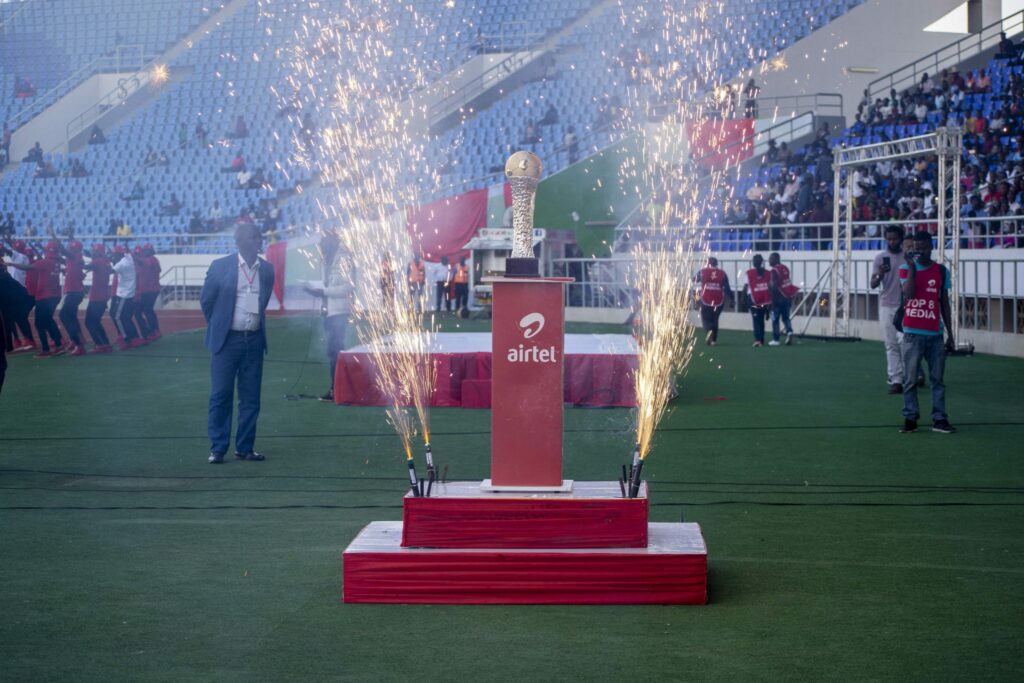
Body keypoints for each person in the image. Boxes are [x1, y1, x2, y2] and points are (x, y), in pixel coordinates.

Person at [200, 223, 275, 464]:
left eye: (259, 237)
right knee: (221, 395)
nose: (258, 241)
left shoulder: (267, 269)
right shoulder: (220, 266)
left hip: (253, 340)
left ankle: (245, 447)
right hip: (227, 342)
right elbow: (206, 301)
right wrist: (220, 326)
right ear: (239, 241)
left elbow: (262, 301)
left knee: (251, 397)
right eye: (253, 237)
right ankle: (218, 448)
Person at [898, 231, 956, 434]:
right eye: (916, 248)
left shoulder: (941, 271)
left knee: (937, 380)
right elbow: (908, 294)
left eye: (923, 248)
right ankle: (910, 418)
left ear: (931, 247)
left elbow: (944, 304)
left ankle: (939, 419)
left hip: (935, 333)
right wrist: (912, 267)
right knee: (910, 380)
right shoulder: (905, 269)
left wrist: (950, 334)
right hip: (912, 333)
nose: (919, 252)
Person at [302, 231, 354, 402]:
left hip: (339, 312)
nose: (321, 246)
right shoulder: (327, 260)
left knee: (335, 351)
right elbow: (326, 285)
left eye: (323, 242)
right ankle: (339, 387)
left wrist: (323, 292)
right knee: (334, 351)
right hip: (329, 312)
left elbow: (347, 288)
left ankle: (338, 389)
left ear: (332, 241)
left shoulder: (344, 259)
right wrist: (314, 289)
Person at [9, 241, 63, 357]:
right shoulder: (56, 262)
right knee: (48, 320)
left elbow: (27, 267)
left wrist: (12, 264)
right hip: (53, 296)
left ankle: (46, 349)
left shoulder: (45, 262)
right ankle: (59, 344)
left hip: (43, 296)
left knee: (39, 323)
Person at [871, 225, 905, 393]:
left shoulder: (907, 258)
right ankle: (896, 379)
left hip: (905, 306)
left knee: (905, 343)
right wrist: (880, 274)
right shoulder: (880, 258)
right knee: (891, 344)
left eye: (894, 238)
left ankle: (910, 376)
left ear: (901, 239)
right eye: (889, 239)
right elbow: (873, 284)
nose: (892, 242)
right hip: (886, 305)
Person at [59, 240, 87, 355]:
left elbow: (62, 250)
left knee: (64, 316)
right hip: (75, 292)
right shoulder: (74, 259)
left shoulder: (75, 256)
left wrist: (53, 235)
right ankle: (78, 339)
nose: (69, 248)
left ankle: (78, 344)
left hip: (74, 293)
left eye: (71, 247)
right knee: (72, 317)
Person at [110, 245, 141, 350]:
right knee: (126, 318)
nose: (113, 256)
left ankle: (126, 339)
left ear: (119, 255)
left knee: (117, 317)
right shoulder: (128, 259)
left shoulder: (122, 264)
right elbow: (127, 254)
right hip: (129, 293)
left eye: (114, 254)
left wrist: (104, 262)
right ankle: (135, 339)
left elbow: (110, 270)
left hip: (124, 294)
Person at [83, 244, 113, 352]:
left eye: (94, 250)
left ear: (98, 252)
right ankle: (105, 343)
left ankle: (99, 344)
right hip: (102, 296)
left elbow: (86, 266)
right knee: (96, 322)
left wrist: (76, 263)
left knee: (89, 322)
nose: (93, 252)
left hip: (96, 297)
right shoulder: (105, 262)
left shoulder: (98, 261)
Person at [696, 257, 732, 345]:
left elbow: (695, 279)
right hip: (718, 300)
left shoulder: (703, 271)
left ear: (708, 263)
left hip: (706, 300)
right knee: (715, 319)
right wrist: (732, 299)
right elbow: (727, 288)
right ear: (716, 264)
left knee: (706, 319)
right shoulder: (722, 273)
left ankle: (709, 334)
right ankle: (714, 340)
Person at [767, 252, 798, 346]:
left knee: (775, 319)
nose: (769, 260)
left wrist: (771, 300)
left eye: (771, 259)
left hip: (778, 298)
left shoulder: (774, 271)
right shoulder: (785, 268)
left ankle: (776, 339)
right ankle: (789, 332)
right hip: (787, 297)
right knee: (786, 318)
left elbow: (774, 286)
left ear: (776, 259)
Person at [745, 254, 771, 347]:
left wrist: (743, 299)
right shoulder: (768, 273)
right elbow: (770, 287)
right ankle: (761, 339)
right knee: (761, 319)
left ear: (754, 262)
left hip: (754, 300)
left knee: (756, 320)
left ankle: (758, 340)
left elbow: (746, 286)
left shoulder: (749, 273)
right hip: (765, 300)